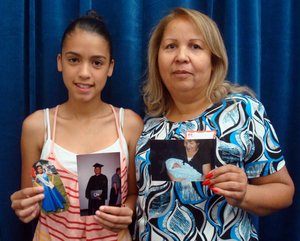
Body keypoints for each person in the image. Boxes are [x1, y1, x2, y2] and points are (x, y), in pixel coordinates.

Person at [135, 7, 294, 240]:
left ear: (213, 60)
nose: (181, 56)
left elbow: (284, 192)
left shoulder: (242, 111)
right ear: (156, 59)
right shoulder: (149, 124)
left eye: (195, 46)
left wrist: (245, 193)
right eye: (170, 46)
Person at [10, 10, 143, 240]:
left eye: (96, 63)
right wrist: (24, 206)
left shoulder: (129, 124)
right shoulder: (37, 127)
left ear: (110, 67)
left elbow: (133, 193)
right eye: (74, 60)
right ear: (60, 61)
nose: (84, 73)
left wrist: (128, 211)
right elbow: (30, 200)